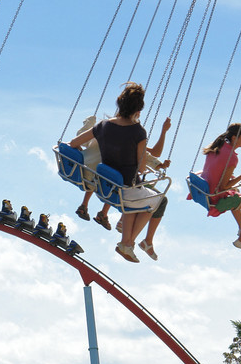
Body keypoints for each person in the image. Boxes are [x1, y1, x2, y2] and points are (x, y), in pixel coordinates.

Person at [70, 83, 169, 263]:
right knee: (159, 200)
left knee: (134, 200)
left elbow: (73, 143)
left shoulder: (103, 125)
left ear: (120, 104)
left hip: (106, 185)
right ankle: (129, 242)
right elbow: (140, 167)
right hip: (125, 189)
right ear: (138, 110)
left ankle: (126, 244)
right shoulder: (138, 132)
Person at [198, 123, 241, 253]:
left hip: (205, 190)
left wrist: (231, 176)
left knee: (236, 191)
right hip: (215, 197)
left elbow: (216, 168)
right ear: (234, 138)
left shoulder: (218, 147)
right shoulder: (232, 157)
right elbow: (224, 186)